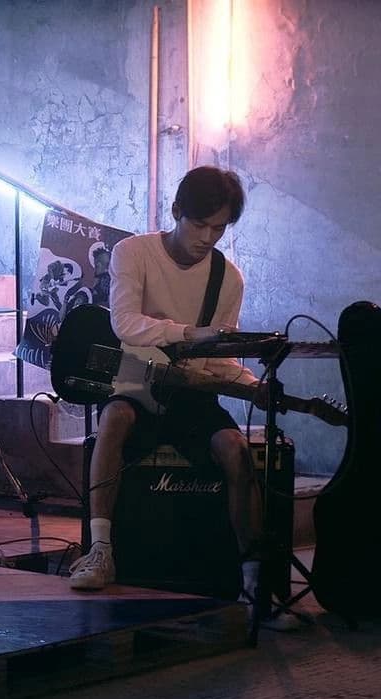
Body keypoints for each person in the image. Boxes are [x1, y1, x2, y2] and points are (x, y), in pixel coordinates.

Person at [68, 167, 266, 605]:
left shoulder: (228, 278)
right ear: (176, 211)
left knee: (235, 448)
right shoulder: (133, 252)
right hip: (137, 385)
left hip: (193, 394)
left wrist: (254, 386)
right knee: (114, 418)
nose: (207, 238)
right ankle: (100, 550)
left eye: (219, 228)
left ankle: (253, 578)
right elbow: (125, 324)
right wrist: (189, 333)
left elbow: (220, 359)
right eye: (199, 225)